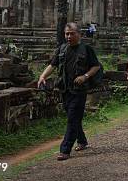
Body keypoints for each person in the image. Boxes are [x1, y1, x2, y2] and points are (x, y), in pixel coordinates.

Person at [38, 22, 101, 161]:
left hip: (80, 90)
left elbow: (96, 66)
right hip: (65, 89)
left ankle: (65, 149)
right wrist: (42, 76)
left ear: (79, 34)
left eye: (72, 33)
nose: (69, 36)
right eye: (67, 33)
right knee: (73, 117)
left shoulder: (86, 49)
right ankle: (82, 141)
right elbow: (52, 65)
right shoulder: (62, 49)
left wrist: (85, 76)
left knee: (72, 117)